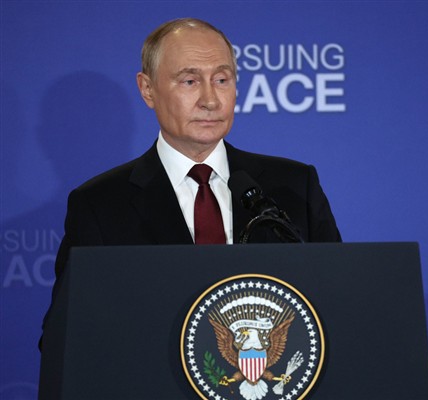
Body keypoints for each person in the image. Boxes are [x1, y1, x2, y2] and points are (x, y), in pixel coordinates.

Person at [41, 18, 340, 348]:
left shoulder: (294, 185)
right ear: (147, 89)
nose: (210, 100)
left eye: (222, 80)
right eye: (189, 81)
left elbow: (337, 305)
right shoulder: (100, 205)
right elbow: (65, 340)